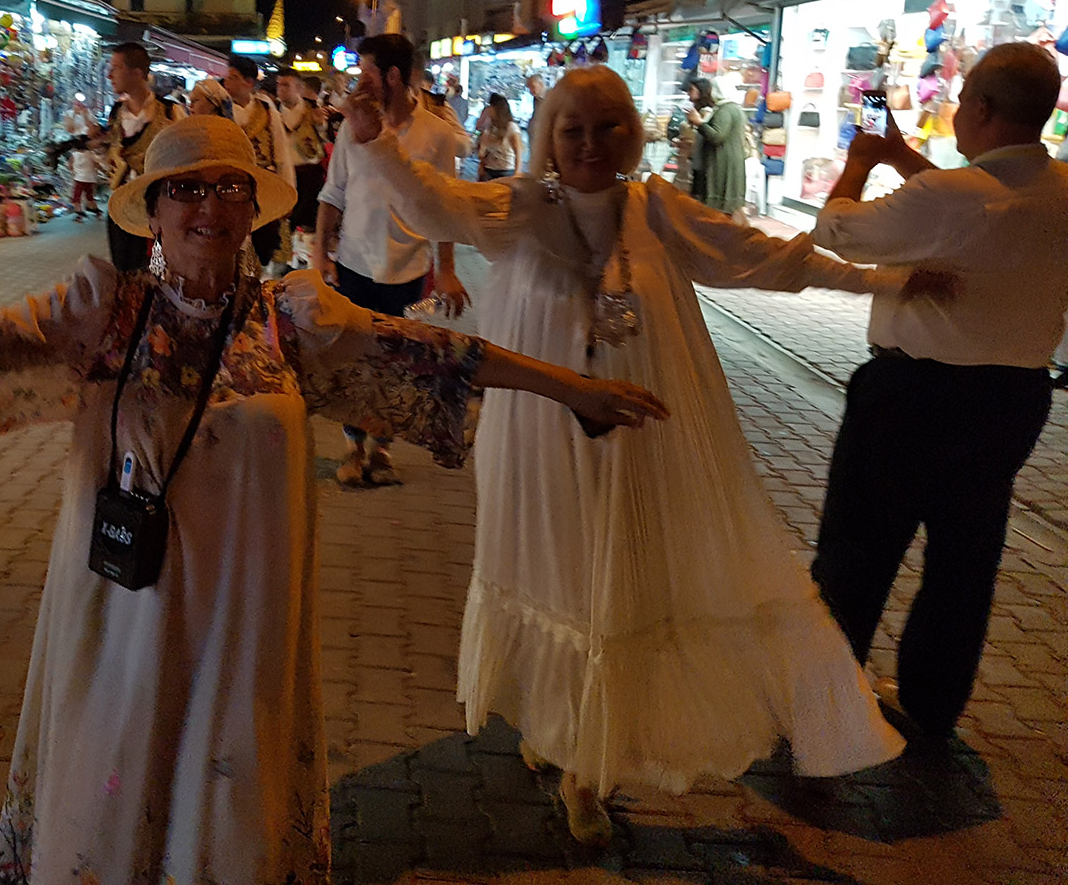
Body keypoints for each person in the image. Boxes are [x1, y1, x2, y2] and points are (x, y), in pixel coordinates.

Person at [0, 114, 665, 882]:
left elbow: (429, 352)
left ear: (253, 208)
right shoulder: (103, 311)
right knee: (117, 766)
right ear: (154, 209)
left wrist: (569, 387)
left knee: (232, 781)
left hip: (247, 620)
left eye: (230, 188)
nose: (209, 206)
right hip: (126, 610)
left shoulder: (294, 319)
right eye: (186, 188)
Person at [343, 64, 907, 845]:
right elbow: (433, 200)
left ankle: (587, 769)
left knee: (613, 587)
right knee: (550, 570)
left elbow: (762, 258)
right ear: (548, 137)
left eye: (607, 126)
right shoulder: (520, 205)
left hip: (638, 438)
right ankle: (552, 718)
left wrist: (877, 281)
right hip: (538, 435)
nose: (589, 143)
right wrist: (375, 146)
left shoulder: (656, 210)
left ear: (633, 132)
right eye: (572, 129)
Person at [808, 41, 1068, 744]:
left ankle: (825, 700)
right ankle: (930, 703)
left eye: (962, 98)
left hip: (911, 394)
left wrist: (863, 161)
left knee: (859, 548)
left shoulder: (945, 197)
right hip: (1014, 400)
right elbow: (982, 201)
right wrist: (903, 159)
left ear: (981, 107)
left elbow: (836, 230)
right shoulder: (1057, 189)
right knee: (966, 557)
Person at [313, 33, 470, 487]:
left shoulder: (437, 135)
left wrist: (449, 272)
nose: (359, 83)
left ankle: (381, 449)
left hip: (409, 269)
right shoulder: (350, 127)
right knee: (355, 358)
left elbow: (442, 208)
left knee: (398, 361)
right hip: (355, 262)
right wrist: (320, 256)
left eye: (366, 73)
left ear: (393, 76)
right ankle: (352, 446)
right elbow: (333, 192)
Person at [104, 42, 183, 271]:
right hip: (122, 207)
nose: (110, 75)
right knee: (125, 271)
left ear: (137, 73)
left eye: (116, 68)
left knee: (159, 271)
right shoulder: (116, 114)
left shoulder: (170, 112)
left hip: (159, 208)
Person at [222, 54, 295, 269]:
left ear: (249, 82)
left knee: (264, 248)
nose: (227, 83)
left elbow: (281, 153)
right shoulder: (220, 111)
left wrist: (288, 192)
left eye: (234, 77)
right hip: (229, 188)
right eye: (227, 78)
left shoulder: (267, 111)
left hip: (263, 188)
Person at [684, 76, 747, 214]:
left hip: (722, 160)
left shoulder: (725, 110)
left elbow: (717, 136)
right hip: (728, 158)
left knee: (718, 201)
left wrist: (699, 123)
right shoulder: (732, 109)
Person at [278, 70, 328, 235]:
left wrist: (320, 125)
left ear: (299, 88)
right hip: (283, 175)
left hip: (310, 176)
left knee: (309, 227)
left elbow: (324, 137)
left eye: (286, 85)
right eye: (279, 84)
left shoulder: (313, 110)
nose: (281, 89)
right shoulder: (271, 112)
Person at [60, 97, 102, 222]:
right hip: (77, 149)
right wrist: (74, 115)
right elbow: (70, 129)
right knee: (81, 188)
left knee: (85, 189)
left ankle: (86, 208)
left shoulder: (89, 114)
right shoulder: (69, 114)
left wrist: (85, 116)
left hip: (86, 147)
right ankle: (86, 208)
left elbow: (92, 132)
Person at [475, 92, 523, 180]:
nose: (488, 109)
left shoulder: (511, 127)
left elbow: (518, 151)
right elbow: (484, 150)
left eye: (491, 106)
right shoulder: (490, 126)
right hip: (489, 168)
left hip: (506, 170)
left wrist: (517, 173)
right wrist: (481, 164)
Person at [524, 74, 545, 172]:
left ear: (541, 84)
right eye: (529, 88)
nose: (531, 91)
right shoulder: (536, 99)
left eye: (532, 87)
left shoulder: (550, 97)